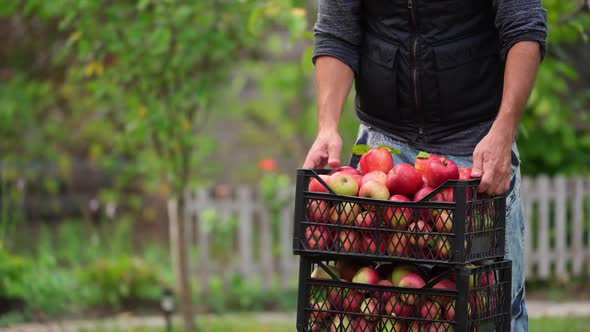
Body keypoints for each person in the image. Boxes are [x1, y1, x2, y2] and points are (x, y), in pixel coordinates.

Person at [302, 1, 548, 331]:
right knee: (373, 312)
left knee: (490, 310)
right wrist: (327, 126)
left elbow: (524, 27)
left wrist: (503, 133)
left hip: (475, 149)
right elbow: (337, 32)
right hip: (383, 151)